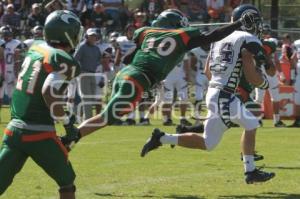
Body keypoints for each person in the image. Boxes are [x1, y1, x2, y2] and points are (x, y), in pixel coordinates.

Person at [60, 8, 259, 152]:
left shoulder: (147, 32)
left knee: (140, 100)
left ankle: (71, 138)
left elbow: (131, 57)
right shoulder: (181, 35)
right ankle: (71, 135)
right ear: (175, 25)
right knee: (107, 117)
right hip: (138, 79)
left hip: (127, 75)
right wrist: (238, 24)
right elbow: (213, 36)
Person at [140, 5, 275, 184]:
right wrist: (264, 82)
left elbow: (208, 70)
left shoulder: (219, 39)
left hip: (213, 91)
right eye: (256, 22)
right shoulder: (248, 39)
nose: (257, 26)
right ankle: (250, 171)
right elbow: (261, 74)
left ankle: (162, 138)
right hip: (224, 94)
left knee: (208, 143)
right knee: (251, 124)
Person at [0, 10, 82, 199]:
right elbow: (48, 91)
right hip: (39, 132)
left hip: (13, 130)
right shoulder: (63, 59)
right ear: (69, 35)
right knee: (67, 181)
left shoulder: (36, 48)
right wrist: (68, 123)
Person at [74, 28, 102, 121]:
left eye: (94, 36)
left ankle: (77, 117)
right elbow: (75, 59)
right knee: (86, 98)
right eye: (91, 36)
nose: (93, 37)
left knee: (91, 98)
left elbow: (98, 62)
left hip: (93, 74)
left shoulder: (96, 48)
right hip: (84, 73)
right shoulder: (82, 47)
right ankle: (88, 120)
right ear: (87, 36)